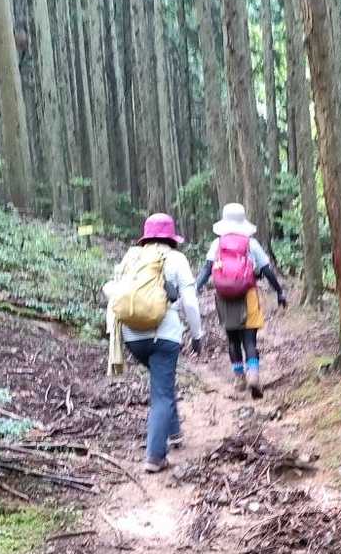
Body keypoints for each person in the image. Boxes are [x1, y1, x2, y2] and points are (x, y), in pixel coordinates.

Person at [109, 213, 202, 473]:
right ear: (171, 238)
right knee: (162, 393)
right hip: (164, 336)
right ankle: (155, 455)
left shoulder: (132, 257)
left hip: (132, 336)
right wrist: (197, 335)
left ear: (146, 237)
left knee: (163, 383)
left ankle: (174, 432)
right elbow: (191, 303)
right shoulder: (176, 259)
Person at [196, 202, 287, 399]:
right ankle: (253, 375)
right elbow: (266, 270)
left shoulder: (217, 244)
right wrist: (279, 292)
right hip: (248, 294)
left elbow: (206, 269)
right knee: (249, 340)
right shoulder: (251, 243)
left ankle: (239, 378)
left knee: (232, 340)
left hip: (224, 297)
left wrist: (195, 288)